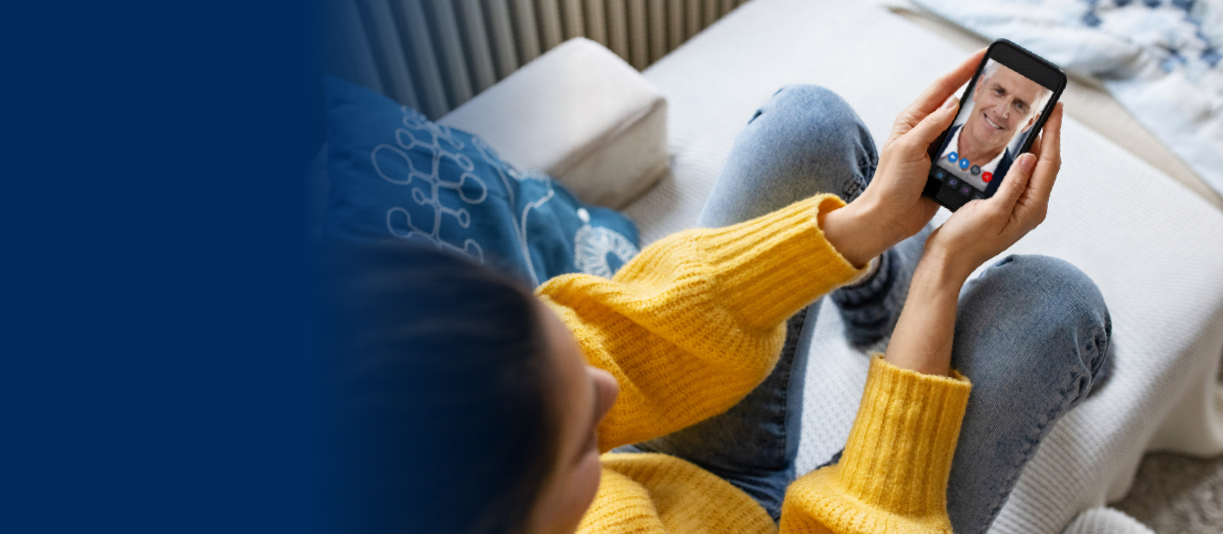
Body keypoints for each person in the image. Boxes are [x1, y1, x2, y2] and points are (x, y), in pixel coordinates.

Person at [324, 49, 1110, 534]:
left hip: (685, 478)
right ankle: (921, 302)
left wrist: (861, 228)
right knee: (1049, 310)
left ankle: (875, 286)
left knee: (808, 127)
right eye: (575, 447)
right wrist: (940, 273)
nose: (606, 396)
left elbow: (611, 342)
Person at [937, 59, 1049, 188]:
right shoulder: (930, 141)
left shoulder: (1011, 187)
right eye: (999, 91)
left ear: (1029, 123)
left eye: (1019, 105)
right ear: (979, 88)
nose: (1001, 112)